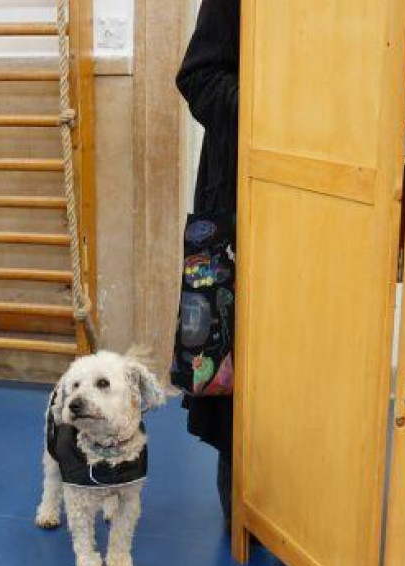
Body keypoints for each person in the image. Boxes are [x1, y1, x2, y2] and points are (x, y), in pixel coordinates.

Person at [172, 0, 240, 525]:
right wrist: (277, 106)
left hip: (330, 202)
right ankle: (244, 509)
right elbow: (198, 78)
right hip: (239, 197)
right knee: (232, 355)